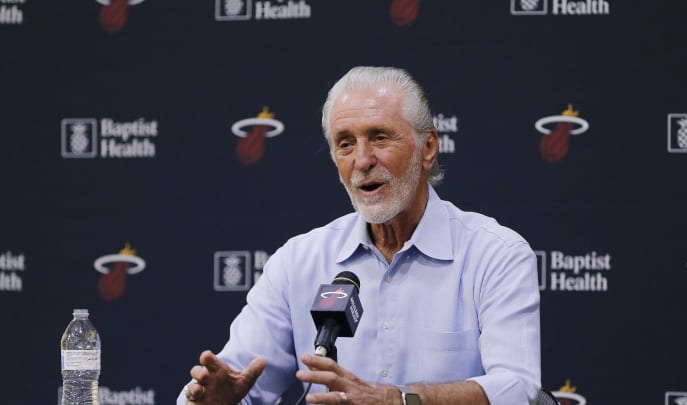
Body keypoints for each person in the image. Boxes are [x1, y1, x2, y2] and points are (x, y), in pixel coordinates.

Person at [178, 66, 541, 405]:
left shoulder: (495, 253)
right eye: (346, 143)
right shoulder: (299, 261)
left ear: (428, 148)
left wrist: (397, 400)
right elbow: (236, 376)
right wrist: (212, 397)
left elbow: (518, 389)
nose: (362, 160)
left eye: (379, 137)